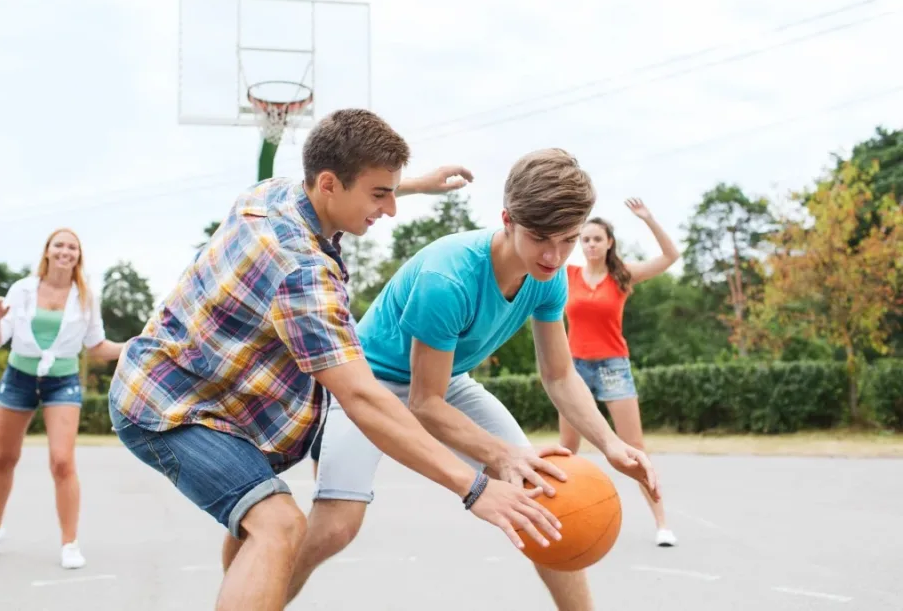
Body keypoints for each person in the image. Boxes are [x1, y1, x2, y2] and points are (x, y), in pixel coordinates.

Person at [107, 109, 564, 611]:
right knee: (279, 524)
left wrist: (412, 184)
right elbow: (362, 398)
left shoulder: (271, 196)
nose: (390, 209)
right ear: (329, 184)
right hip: (168, 408)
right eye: (379, 194)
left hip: (212, 397)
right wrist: (473, 487)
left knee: (257, 528)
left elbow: (336, 179)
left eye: (391, 192)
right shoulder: (303, 274)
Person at [287, 148, 661, 610]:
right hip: (368, 381)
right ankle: (260, 595)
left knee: (543, 496)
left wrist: (610, 443)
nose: (554, 255)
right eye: (540, 238)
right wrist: (502, 454)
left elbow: (560, 375)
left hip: (447, 382)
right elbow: (424, 404)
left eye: (568, 240)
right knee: (336, 527)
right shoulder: (449, 277)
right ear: (508, 220)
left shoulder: (550, 276)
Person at [0, 227, 127, 569]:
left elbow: (96, 347)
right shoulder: (23, 289)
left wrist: (132, 346)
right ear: (48, 251)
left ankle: (70, 543)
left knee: (62, 461)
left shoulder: (85, 297)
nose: (65, 251)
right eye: (59, 245)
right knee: (4, 458)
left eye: (72, 247)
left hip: (62, 382)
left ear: (78, 256)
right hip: (18, 378)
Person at [560, 198, 681, 547]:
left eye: (597, 239)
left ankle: (662, 524)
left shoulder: (621, 275)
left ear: (609, 242)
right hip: (573, 369)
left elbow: (670, 257)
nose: (590, 245)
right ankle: (559, 518)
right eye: (585, 239)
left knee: (634, 447)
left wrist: (648, 218)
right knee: (568, 448)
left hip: (613, 367)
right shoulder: (567, 276)